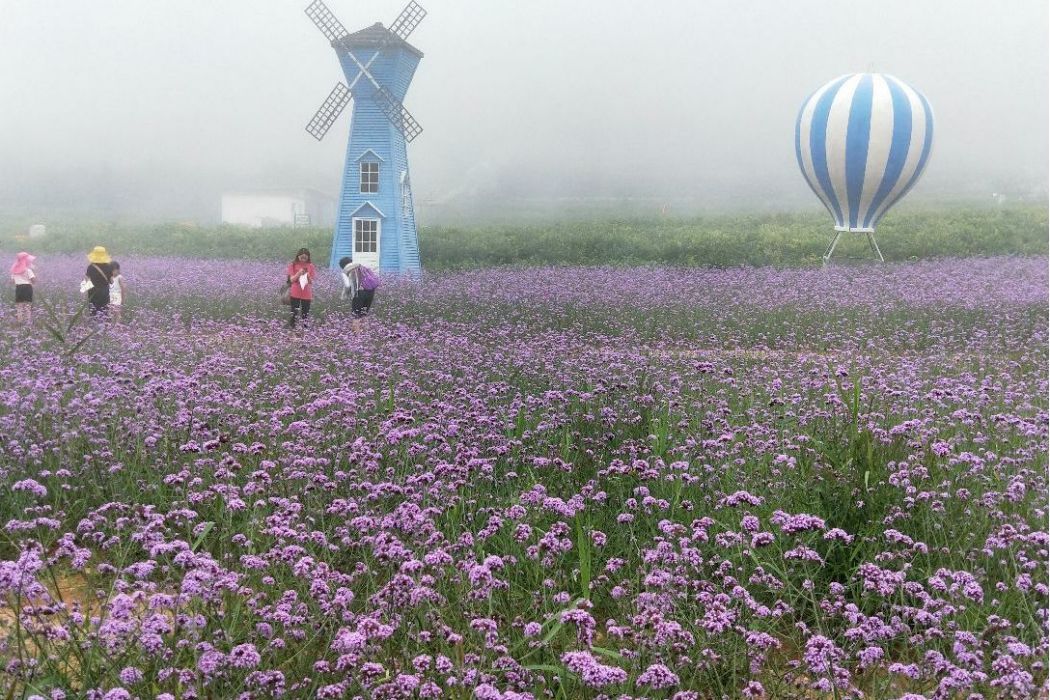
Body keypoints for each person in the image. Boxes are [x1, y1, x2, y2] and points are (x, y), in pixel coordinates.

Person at [285, 248, 316, 327]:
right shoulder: (292, 265)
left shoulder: (311, 266)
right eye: (301, 257)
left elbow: (311, 282)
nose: (303, 259)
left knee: (305, 313)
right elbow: (291, 280)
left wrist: (308, 275)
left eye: (305, 257)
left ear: (308, 257)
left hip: (306, 292)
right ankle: (293, 328)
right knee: (294, 312)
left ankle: (305, 329)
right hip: (295, 292)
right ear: (298, 256)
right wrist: (298, 273)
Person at [83, 246, 113, 317]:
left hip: (93, 293)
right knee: (105, 312)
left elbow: (87, 281)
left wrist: (84, 294)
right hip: (104, 293)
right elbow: (111, 281)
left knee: (93, 313)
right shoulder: (108, 267)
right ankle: (105, 326)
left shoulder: (90, 267)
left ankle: (94, 326)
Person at [9, 251, 36, 325]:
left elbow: (11, 281)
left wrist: (17, 280)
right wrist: (33, 282)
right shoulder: (28, 270)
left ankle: (20, 321)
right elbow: (33, 279)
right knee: (27, 305)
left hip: (19, 288)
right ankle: (28, 321)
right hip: (27, 288)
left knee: (19, 305)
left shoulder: (15, 271)